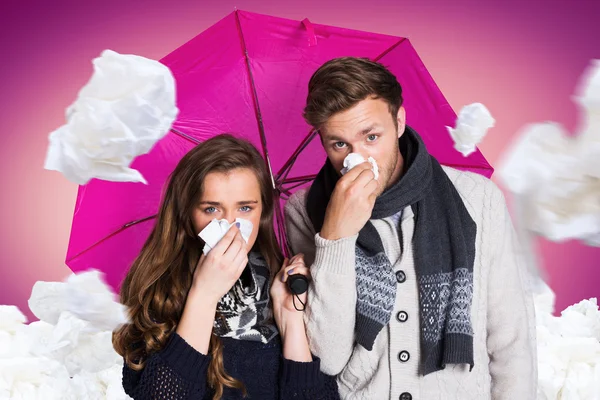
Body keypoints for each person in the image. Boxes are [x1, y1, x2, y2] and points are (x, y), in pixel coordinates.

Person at [284, 57, 537, 400]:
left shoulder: (477, 198)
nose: (357, 159)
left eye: (371, 136)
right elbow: (327, 357)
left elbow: (512, 340)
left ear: (399, 121)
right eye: (339, 144)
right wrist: (335, 237)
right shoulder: (306, 209)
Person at [113, 134, 339, 400]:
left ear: (262, 212)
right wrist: (204, 295)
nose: (231, 224)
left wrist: (290, 321)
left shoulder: (284, 285)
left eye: (245, 208)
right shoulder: (159, 292)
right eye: (211, 209)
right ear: (187, 213)